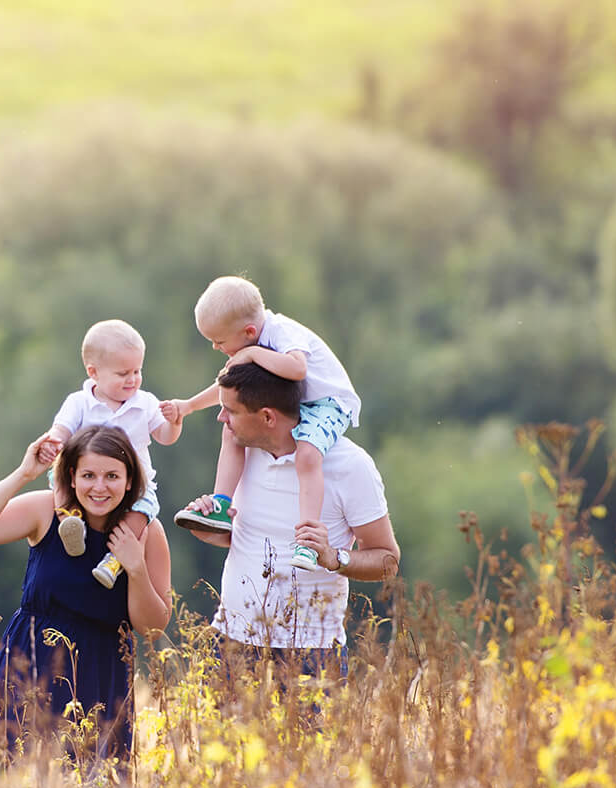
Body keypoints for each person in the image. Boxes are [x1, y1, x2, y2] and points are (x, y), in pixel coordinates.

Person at [0, 425, 172, 757]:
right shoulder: (46, 510)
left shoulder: (147, 532)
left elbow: (152, 629)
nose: (99, 487)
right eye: (88, 475)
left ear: (129, 481)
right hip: (29, 666)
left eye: (112, 476)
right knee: (9, 776)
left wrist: (135, 568)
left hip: (100, 673)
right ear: (71, 476)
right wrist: (24, 473)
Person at [179, 362, 399, 674]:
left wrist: (333, 557)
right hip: (229, 643)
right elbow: (247, 540)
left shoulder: (350, 465)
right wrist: (209, 527)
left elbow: (387, 560)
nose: (221, 417)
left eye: (230, 410)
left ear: (267, 417)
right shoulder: (242, 453)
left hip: (312, 654)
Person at [161, 276, 361, 572]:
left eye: (219, 341)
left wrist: (252, 353)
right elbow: (227, 386)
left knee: (307, 454)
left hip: (328, 403)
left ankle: (307, 539)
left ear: (249, 331)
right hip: (294, 402)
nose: (216, 348)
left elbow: (297, 368)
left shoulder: (281, 333)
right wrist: (188, 406)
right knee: (231, 429)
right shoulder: (252, 341)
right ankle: (221, 505)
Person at [38, 319, 183, 589]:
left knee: (142, 511)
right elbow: (61, 429)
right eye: (122, 374)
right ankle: (70, 523)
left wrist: (175, 422)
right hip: (85, 478)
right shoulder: (79, 402)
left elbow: (165, 437)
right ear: (93, 372)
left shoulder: (145, 403)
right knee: (58, 478)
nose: (132, 380)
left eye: (137, 371)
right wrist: (53, 442)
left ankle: (114, 561)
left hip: (133, 483)